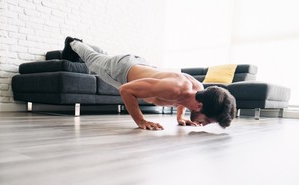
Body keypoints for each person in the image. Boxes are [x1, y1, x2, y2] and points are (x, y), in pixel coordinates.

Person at [62, 36, 236, 130]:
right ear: (199, 107)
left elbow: (184, 99)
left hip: (139, 64)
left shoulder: (197, 90)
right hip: (122, 70)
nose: (205, 124)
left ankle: (90, 48)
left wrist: (179, 117)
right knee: (93, 62)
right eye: (208, 121)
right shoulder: (175, 88)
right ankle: (74, 42)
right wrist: (141, 121)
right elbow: (126, 90)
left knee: (101, 59)